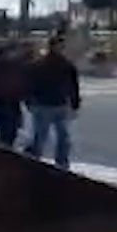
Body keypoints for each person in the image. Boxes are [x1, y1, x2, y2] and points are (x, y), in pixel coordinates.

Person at [23, 35, 82, 169]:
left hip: (54, 104)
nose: (62, 49)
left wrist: (74, 102)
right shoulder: (60, 65)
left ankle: (57, 162)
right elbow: (73, 86)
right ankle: (56, 162)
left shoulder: (59, 65)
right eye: (60, 46)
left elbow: (73, 85)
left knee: (57, 137)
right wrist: (74, 103)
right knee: (48, 136)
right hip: (47, 104)